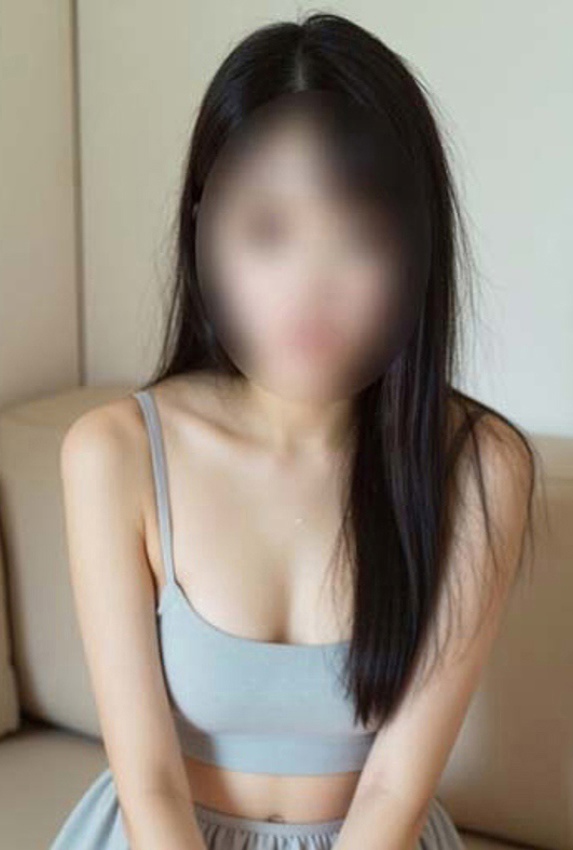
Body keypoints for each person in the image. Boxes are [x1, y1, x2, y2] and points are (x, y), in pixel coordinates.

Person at [49, 11, 537, 850]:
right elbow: (150, 784)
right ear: (206, 232)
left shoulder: (480, 469)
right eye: (268, 232)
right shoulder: (113, 454)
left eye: (359, 237)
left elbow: (393, 792)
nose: (310, 287)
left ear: (415, 251)